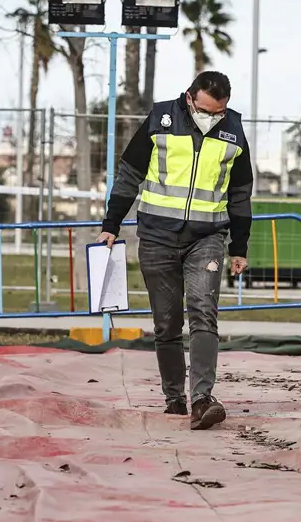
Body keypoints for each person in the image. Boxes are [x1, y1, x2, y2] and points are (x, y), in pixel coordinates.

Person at [96, 71, 252, 430]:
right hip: (156, 236)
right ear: (190, 98)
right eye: (207, 111)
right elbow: (129, 175)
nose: (213, 119)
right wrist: (111, 225)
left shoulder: (234, 131)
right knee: (167, 324)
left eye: (220, 112)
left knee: (203, 314)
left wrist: (240, 246)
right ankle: (174, 398)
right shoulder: (160, 120)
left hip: (207, 238)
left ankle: (201, 399)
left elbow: (241, 194)